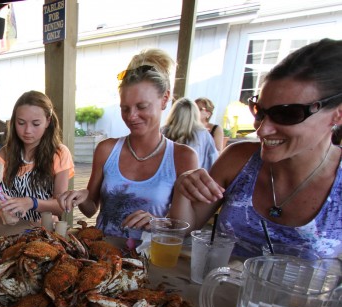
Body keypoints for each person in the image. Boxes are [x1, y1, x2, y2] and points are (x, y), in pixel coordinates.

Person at [170, 39, 342, 259]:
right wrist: (183, 188)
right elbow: (182, 230)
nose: (262, 130)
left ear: (338, 114)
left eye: (286, 114)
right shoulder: (238, 159)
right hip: (214, 292)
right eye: (259, 111)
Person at [57, 49, 199, 236]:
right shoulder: (107, 150)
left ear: (164, 99)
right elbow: (90, 209)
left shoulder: (183, 157)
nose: (132, 116)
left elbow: (189, 227)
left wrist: (158, 223)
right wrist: (82, 197)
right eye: (125, 109)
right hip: (103, 254)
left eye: (142, 106)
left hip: (151, 258)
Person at [0, 90, 75, 223]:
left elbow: (60, 206)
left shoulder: (59, 154)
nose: (27, 130)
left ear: (47, 121)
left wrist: (32, 203)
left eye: (36, 124)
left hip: (43, 231)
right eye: (21, 123)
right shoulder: (5, 154)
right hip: (9, 229)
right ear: (13, 122)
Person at [162, 97, 219, 170]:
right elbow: (213, 161)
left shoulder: (162, 132)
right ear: (195, 114)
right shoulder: (203, 134)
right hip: (194, 179)